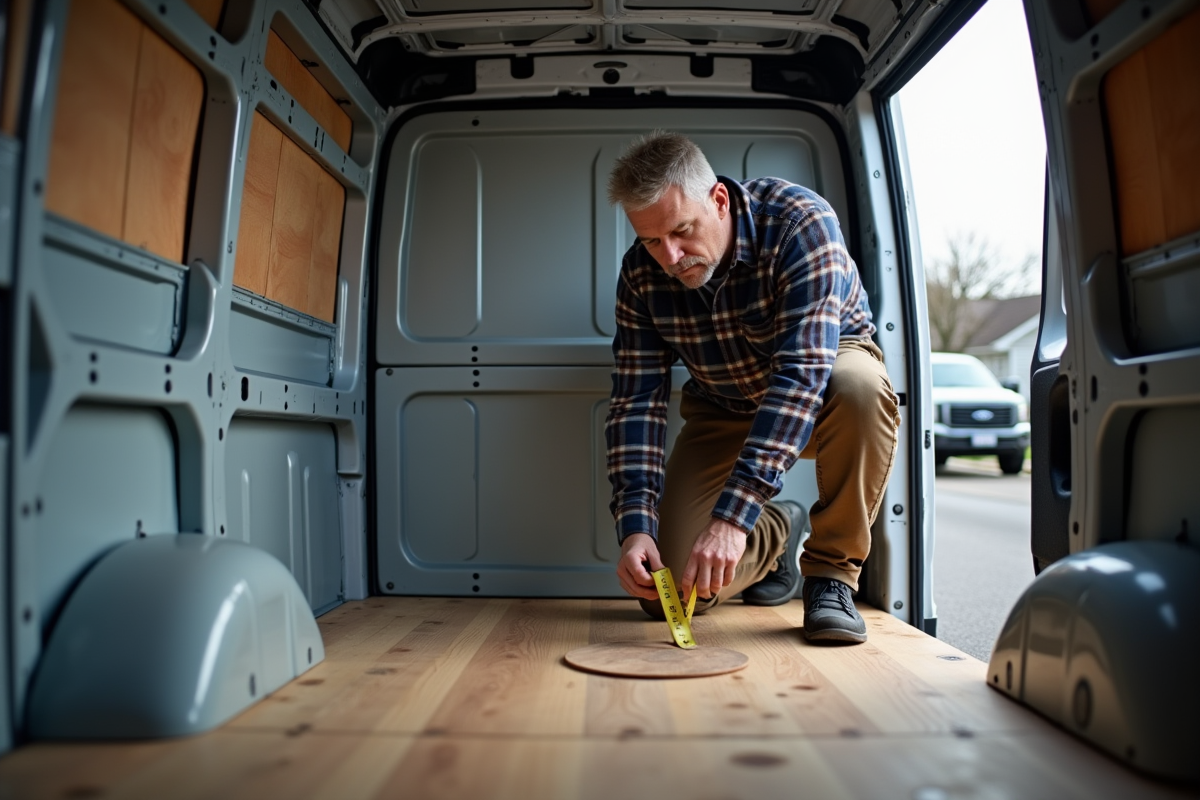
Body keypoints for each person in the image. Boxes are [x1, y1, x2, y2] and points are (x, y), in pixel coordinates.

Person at [604, 131, 900, 644]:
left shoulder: (800, 224)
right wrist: (635, 525)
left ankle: (831, 575)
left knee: (860, 386)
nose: (670, 258)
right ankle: (774, 539)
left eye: (681, 230)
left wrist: (730, 520)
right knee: (668, 595)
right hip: (723, 406)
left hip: (823, 389)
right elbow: (636, 400)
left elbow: (801, 375)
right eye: (651, 240)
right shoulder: (640, 274)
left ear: (718, 200)